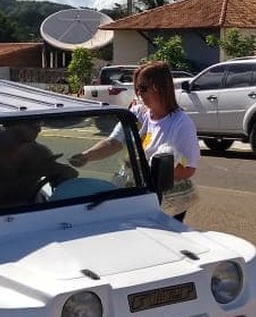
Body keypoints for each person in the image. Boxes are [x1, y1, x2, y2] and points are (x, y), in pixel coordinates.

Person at [69, 61, 199, 221]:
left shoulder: (181, 123)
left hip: (166, 200)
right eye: (137, 89)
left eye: (143, 88)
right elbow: (114, 143)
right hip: (136, 192)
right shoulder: (137, 113)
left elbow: (188, 169)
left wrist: (149, 172)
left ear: (160, 88)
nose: (138, 94)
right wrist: (85, 156)